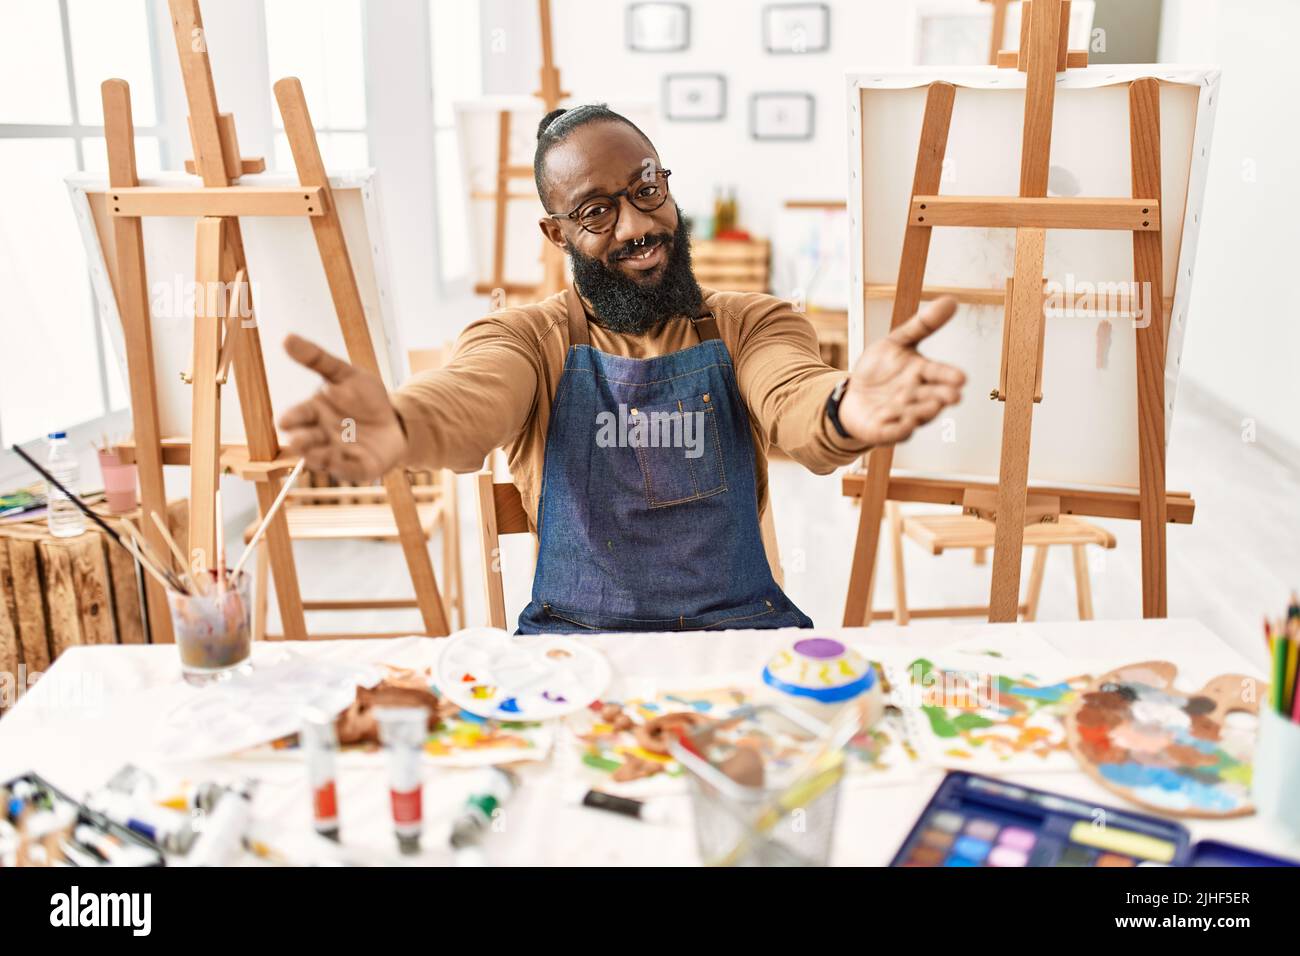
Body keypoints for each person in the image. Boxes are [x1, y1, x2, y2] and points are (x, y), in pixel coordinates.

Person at [279, 103, 965, 634]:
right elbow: (468, 399)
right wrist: (402, 424)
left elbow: (794, 395)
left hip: (737, 640)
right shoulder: (527, 339)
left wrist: (843, 408)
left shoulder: (750, 322)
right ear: (558, 235)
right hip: (576, 655)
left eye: (647, 189)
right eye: (597, 212)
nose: (636, 225)